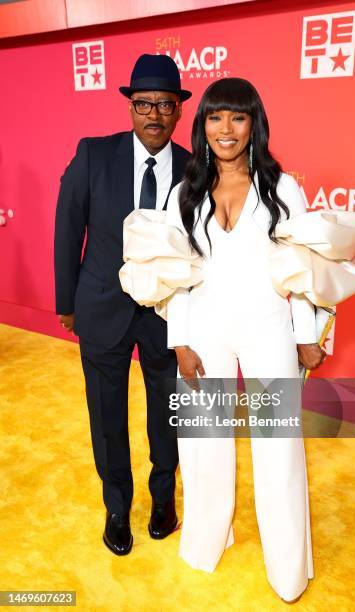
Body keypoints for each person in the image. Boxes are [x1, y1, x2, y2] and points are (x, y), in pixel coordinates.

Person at [164, 77, 325, 603]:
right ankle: (205, 543)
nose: (225, 129)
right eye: (215, 117)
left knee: (278, 448)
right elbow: (176, 273)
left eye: (237, 116)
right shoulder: (182, 193)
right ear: (201, 124)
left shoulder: (283, 189)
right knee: (202, 444)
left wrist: (307, 335)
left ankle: (288, 570)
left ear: (254, 123)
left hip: (269, 328)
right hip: (204, 332)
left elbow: (302, 270)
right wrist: (180, 340)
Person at [54, 54, 192, 555]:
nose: (153, 114)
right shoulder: (93, 154)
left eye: (164, 104)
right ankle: (117, 505)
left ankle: (162, 497)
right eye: (143, 104)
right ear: (130, 108)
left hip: (168, 315)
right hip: (101, 308)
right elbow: (69, 230)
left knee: (168, 413)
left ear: (179, 110)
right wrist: (66, 302)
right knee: (106, 414)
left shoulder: (196, 169)